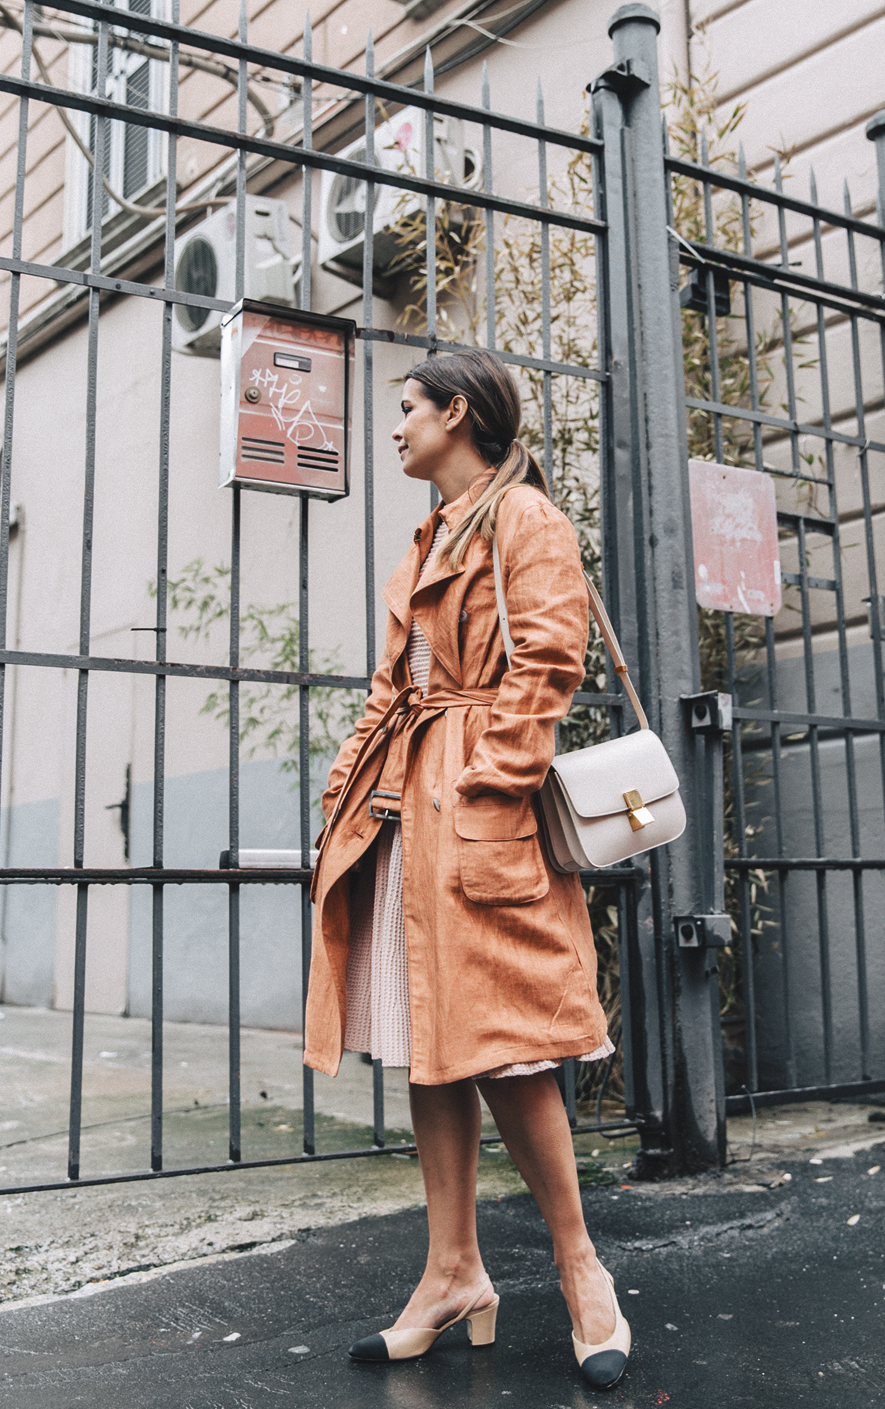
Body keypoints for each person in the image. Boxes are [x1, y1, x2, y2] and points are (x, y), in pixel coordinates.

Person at [303, 348, 631, 1390]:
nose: (393, 428)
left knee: (511, 1042)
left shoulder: (523, 519)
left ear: (458, 412)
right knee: (429, 1043)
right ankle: (452, 1273)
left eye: (407, 409)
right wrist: (344, 787)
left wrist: (490, 782)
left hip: (477, 808)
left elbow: (549, 660)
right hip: (406, 809)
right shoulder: (431, 533)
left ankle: (583, 1272)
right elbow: (390, 685)